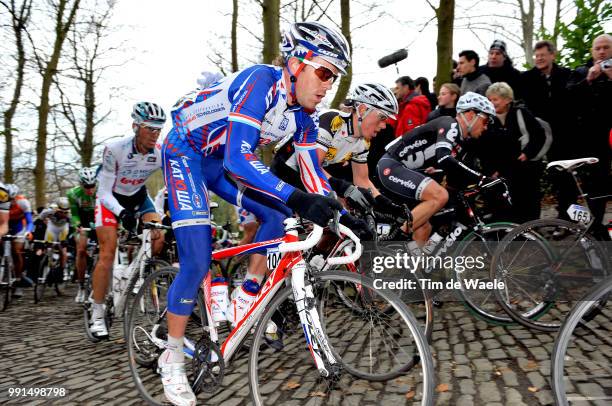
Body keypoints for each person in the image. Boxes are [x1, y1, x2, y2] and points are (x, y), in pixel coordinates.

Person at [159, 21, 350, 406]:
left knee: (279, 217)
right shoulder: (260, 81)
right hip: (184, 152)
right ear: (297, 63)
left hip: (216, 162)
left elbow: (313, 177)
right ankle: (172, 355)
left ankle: (246, 295)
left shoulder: (303, 116)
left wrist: (343, 216)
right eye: (325, 72)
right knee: (196, 259)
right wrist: (300, 198)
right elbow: (239, 157)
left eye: (335, 78)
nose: (329, 85)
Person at [89, 102, 166, 339]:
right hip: (111, 200)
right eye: (149, 128)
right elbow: (102, 192)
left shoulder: (160, 152)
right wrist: (122, 214)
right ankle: (97, 312)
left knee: (159, 236)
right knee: (108, 252)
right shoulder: (115, 149)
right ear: (135, 126)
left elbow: (173, 181)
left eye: (158, 129)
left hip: (139, 197)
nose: (155, 134)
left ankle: (137, 275)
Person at [272, 82, 407, 217]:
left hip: (310, 178)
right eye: (382, 117)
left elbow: (362, 180)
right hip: (285, 171)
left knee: (341, 225)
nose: (384, 125)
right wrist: (345, 189)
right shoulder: (332, 120)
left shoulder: (363, 143)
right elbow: (312, 166)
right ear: (362, 110)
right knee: (275, 220)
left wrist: (390, 206)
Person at [377, 92, 496, 245]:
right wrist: (483, 179)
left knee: (423, 229)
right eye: (486, 120)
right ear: (471, 114)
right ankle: (394, 238)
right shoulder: (450, 124)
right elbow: (444, 158)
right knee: (439, 196)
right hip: (391, 166)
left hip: (405, 171)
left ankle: (408, 268)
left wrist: (483, 186)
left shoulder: (461, 143)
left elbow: (455, 177)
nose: (486, 127)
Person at [521, 40, 573, 220]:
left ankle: (565, 219)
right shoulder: (527, 78)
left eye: (543, 55)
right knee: (532, 181)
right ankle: (531, 222)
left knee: (563, 179)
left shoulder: (566, 75)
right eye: (537, 56)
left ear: (553, 55)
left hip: (561, 136)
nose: (540, 59)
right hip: (536, 137)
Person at [566, 34, 612, 238]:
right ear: (592, 51)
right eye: (598, 48)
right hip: (591, 143)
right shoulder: (580, 72)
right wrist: (588, 80)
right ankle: (595, 232)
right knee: (595, 192)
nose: (602, 52)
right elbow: (566, 100)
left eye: (606, 47)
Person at [486, 82, 546, 223]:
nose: (492, 103)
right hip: (501, 171)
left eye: (495, 99)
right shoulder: (488, 119)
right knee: (504, 204)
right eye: (489, 100)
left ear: (507, 100)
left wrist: (527, 153)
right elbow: (485, 147)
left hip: (524, 168)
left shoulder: (521, 113)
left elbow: (539, 134)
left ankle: (530, 230)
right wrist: (491, 169)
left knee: (528, 201)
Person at [67, 167, 98, 302]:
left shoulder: (101, 193)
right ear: (81, 184)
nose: (90, 189)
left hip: (98, 221)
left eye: (92, 186)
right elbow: (74, 215)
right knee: (80, 250)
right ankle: (81, 286)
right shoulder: (73, 194)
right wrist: (77, 225)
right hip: (83, 223)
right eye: (87, 186)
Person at [7, 184, 34, 297]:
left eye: (13, 199)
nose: (11, 202)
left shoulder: (23, 202)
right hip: (4, 225)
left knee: (16, 251)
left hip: (19, 228)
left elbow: (30, 221)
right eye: (9, 199)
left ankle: (18, 281)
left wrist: (28, 231)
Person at [39, 197, 72, 275]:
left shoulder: (70, 213)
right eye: (61, 211)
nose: (63, 214)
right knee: (48, 245)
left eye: (65, 212)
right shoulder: (51, 209)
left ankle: (61, 270)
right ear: (57, 208)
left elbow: (73, 224)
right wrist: (45, 220)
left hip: (63, 228)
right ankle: (48, 263)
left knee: (63, 250)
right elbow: (41, 217)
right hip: (52, 226)